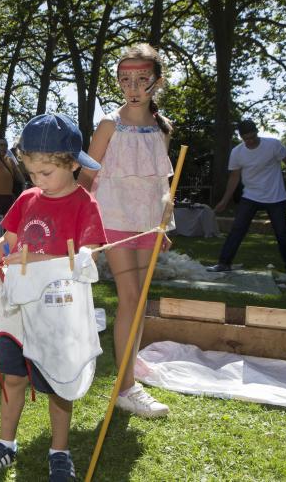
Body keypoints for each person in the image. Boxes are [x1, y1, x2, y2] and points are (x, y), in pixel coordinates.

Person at [0, 113, 106, 481]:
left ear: (73, 164)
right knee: (12, 377)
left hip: (58, 311)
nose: (38, 181)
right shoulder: (28, 198)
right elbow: (8, 240)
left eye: (46, 172)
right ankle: (5, 444)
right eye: (31, 173)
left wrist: (45, 260)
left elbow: (90, 255)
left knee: (59, 384)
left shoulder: (84, 203)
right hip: (17, 308)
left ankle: (59, 451)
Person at [79, 43, 173, 418]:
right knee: (130, 296)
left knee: (141, 299)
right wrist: (84, 226)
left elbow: (161, 181)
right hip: (115, 219)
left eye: (141, 79)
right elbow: (87, 176)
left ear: (157, 82)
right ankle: (126, 388)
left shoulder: (163, 127)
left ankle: (129, 370)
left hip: (149, 221)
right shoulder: (108, 125)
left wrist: (165, 222)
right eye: (125, 79)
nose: (133, 87)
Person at [208, 119, 286, 275]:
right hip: (250, 196)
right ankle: (224, 264)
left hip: (276, 196)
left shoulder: (273, 145)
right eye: (246, 139)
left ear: (257, 132)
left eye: (253, 137)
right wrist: (225, 200)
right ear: (241, 137)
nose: (250, 141)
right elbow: (234, 177)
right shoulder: (237, 152)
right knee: (237, 229)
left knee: (282, 232)